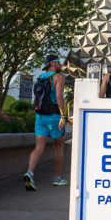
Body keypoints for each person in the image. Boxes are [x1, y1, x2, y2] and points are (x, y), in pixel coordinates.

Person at [24, 53, 68, 190]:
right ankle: (58, 178)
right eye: (58, 62)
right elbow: (59, 96)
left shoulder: (40, 78)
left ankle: (29, 172)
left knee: (39, 148)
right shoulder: (58, 77)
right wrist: (63, 115)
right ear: (53, 63)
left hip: (40, 117)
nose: (60, 64)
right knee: (59, 147)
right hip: (54, 117)